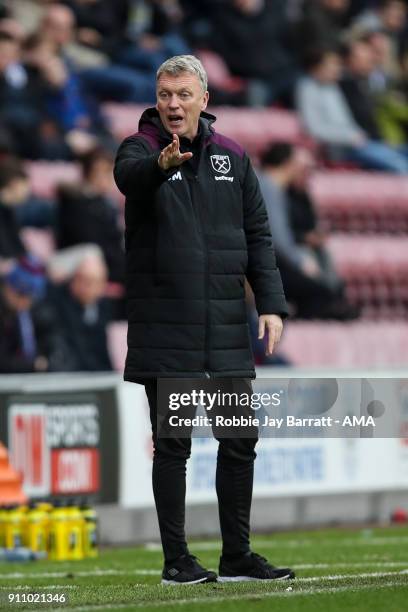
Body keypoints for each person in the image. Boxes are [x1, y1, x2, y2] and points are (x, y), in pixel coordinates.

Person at [114, 55, 294, 585]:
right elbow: (129, 179)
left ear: (204, 100)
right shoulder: (141, 149)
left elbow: (258, 235)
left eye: (183, 94)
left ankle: (237, 556)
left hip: (225, 327)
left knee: (240, 440)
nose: (173, 103)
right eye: (165, 94)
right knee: (174, 443)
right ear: (157, 97)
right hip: (167, 327)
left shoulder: (233, 158)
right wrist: (161, 165)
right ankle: (176, 561)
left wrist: (271, 303)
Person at [258, 142, 358, 319]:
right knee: (318, 291)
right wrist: (299, 262)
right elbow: (277, 238)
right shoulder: (268, 186)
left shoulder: (283, 190)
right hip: (264, 263)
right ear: (289, 163)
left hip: (270, 259)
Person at [296, 47, 408, 172]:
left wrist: (357, 135)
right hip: (341, 148)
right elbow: (314, 128)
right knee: (401, 166)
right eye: (332, 64)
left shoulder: (332, 87)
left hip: (359, 141)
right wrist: (350, 137)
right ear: (316, 67)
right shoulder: (307, 88)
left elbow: (347, 121)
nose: (337, 68)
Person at [56, 147, 125, 283]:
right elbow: (87, 239)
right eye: (104, 172)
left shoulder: (106, 203)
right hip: (78, 259)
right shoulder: (74, 200)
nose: (110, 177)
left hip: (107, 258)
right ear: (90, 172)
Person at [0, 255, 68, 373]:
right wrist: (34, 365)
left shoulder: (37, 311)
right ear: (7, 287)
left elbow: (56, 344)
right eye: (21, 294)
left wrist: (51, 360)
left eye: (30, 297)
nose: (25, 302)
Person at [48, 250, 113, 371]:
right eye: (81, 279)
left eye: (93, 282)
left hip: (97, 373)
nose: (85, 287)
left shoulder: (102, 305)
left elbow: (102, 349)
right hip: (71, 373)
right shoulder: (59, 302)